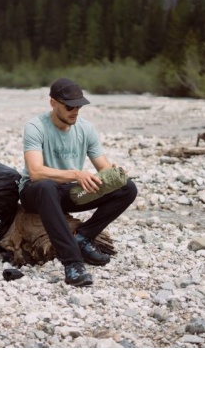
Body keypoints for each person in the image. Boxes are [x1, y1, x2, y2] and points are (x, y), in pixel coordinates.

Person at [19, 78, 137, 286]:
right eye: (69, 106)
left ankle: (82, 238)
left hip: (68, 192)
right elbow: (36, 172)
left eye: (79, 106)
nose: (75, 111)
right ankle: (72, 263)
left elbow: (103, 168)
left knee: (127, 188)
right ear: (53, 103)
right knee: (46, 186)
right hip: (36, 193)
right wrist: (76, 174)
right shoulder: (35, 126)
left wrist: (114, 175)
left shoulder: (86, 129)